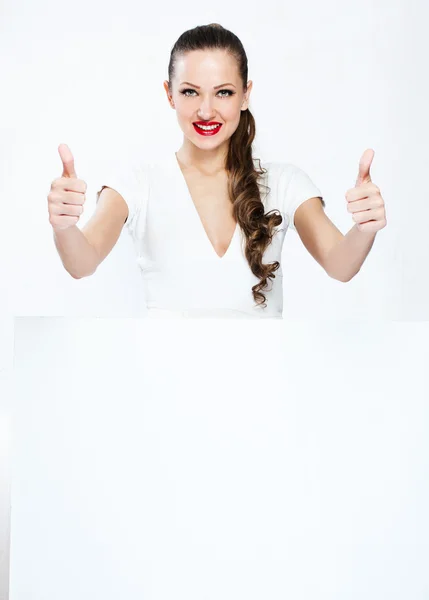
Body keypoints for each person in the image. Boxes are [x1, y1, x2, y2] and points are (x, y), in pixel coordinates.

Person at [49, 23, 386, 319]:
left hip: (264, 381)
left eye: (223, 92)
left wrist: (364, 228)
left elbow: (340, 265)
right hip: (164, 381)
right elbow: (83, 263)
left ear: (245, 95)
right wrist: (64, 226)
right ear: (169, 94)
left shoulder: (285, 183)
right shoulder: (138, 183)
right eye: (190, 92)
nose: (206, 110)